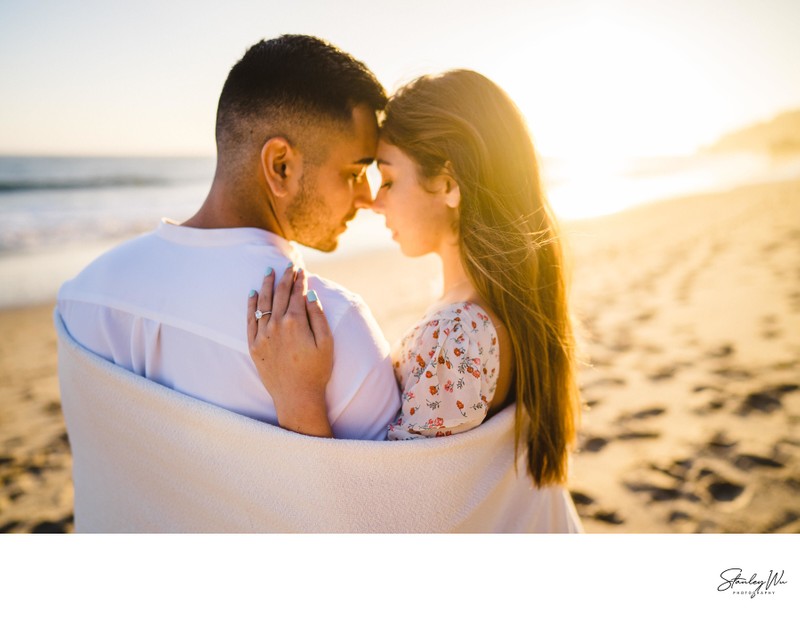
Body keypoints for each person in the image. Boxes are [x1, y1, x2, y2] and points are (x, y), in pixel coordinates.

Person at [57, 35, 400, 440]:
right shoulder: (332, 327)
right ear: (281, 166)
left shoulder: (83, 296)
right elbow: (385, 502)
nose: (366, 197)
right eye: (355, 173)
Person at [248, 69, 581, 488]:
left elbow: (395, 511)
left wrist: (298, 399)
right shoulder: (491, 307)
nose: (374, 201)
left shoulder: (458, 336)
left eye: (388, 179)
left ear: (447, 183)